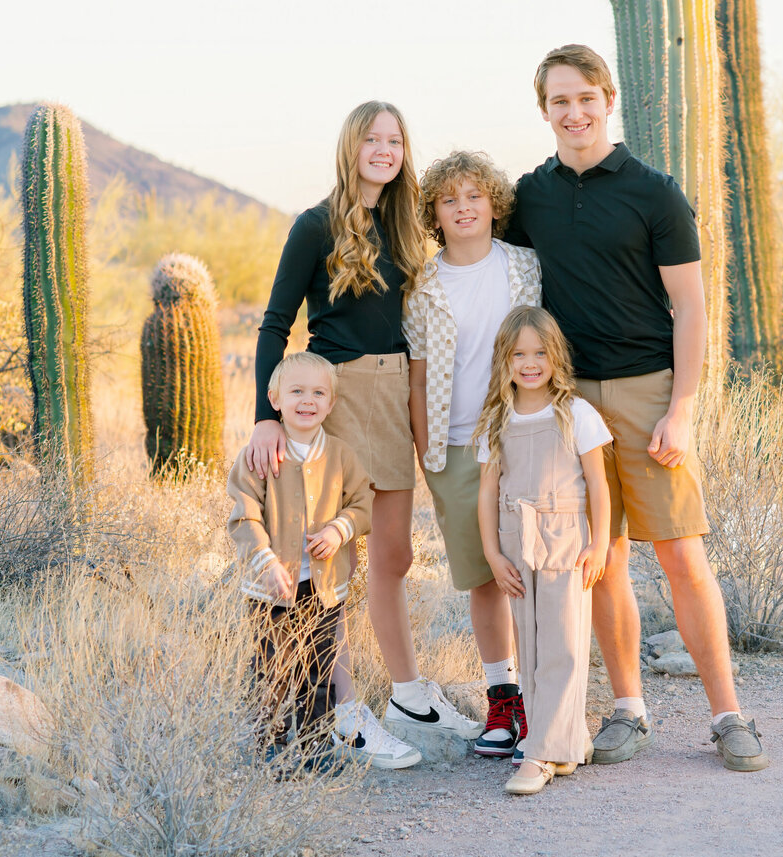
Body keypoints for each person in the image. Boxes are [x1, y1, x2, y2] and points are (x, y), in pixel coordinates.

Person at [502, 44, 769, 772]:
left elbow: (690, 308)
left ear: (608, 99)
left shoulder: (654, 192)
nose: (574, 112)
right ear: (545, 111)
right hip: (568, 399)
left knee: (682, 554)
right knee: (603, 558)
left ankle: (728, 715)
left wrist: (681, 408)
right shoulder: (532, 196)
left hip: (649, 389)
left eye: (585, 97)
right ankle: (629, 709)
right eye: (559, 101)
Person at [247, 101, 481, 769]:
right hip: (340, 395)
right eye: (372, 138)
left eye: (394, 140)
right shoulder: (314, 225)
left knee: (397, 554)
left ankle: (407, 694)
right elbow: (274, 324)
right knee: (334, 559)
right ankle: (345, 711)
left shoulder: (409, 224)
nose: (384, 149)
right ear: (352, 146)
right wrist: (267, 415)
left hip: (397, 392)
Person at [405, 150, 542, 759]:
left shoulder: (525, 267)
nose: (463, 208)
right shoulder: (422, 285)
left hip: (524, 432)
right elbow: (418, 375)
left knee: (535, 567)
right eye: (449, 199)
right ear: (434, 213)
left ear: (494, 205)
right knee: (485, 578)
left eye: (474, 196)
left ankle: (544, 700)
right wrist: (427, 454)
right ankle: (503, 699)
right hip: (456, 444)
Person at [474, 306, 611, 795]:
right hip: (516, 540)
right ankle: (566, 742)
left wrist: (600, 543)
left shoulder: (576, 413)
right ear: (504, 361)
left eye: (539, 353)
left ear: (556, 357)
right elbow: (487, 491)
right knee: (529, 646)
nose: (529, 363)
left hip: (566, 538)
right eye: (518, 354)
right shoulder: (496, 419)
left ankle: (539, 755)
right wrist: (493, 554)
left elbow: (598, 482)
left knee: (564, 644)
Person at [227, 352, 374, 768]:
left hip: (323, 589)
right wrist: (267, 562)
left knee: (318, 672)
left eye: (317, 393)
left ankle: (314, 748)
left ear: (330, 403)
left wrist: (338, 530)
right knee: (271, 671)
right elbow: (243, 515)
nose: (307, 401)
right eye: (296, 392)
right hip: (269, 588)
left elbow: (363, 503)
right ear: (274, 399)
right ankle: (268, 749)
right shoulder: (257, 456)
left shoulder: (341, 456)